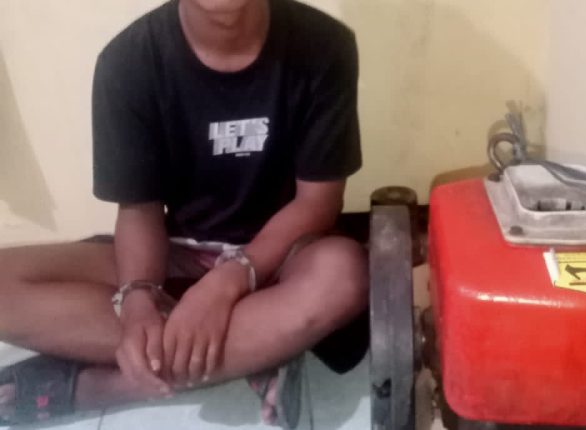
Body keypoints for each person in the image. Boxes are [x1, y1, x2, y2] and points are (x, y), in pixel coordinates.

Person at [0, 0, 367, 428]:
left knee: (344, 274)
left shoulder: (324, 45)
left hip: (282, 257)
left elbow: (317, 202)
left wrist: (226, 284)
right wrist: (138, 300)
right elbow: (138, 208)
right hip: (177, 253)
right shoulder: (128, 61)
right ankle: (258, 350)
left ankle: (107, 386)